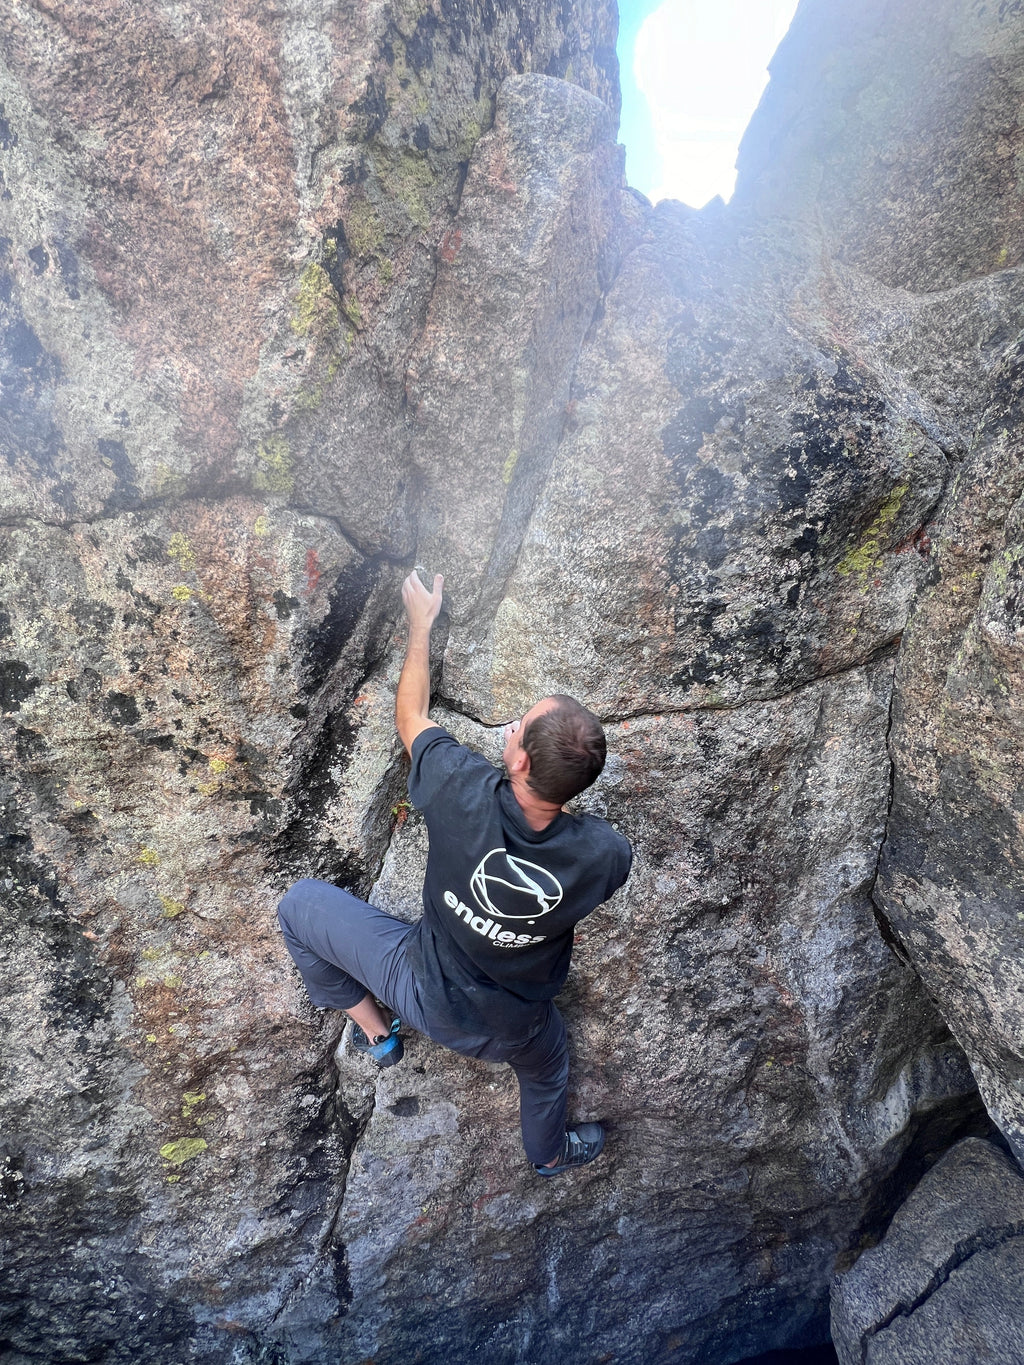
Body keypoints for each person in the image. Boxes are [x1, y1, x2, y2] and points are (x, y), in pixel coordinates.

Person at [277, 570, 632, 1175]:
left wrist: (421, 625)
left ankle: (379, 1036)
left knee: (297, 909)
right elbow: (560, 825)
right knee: (548, 1071)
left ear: (518, 759)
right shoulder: (605, 855)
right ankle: (548, 1156)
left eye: (518, 725)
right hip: (516, 1027)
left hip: (420, 991)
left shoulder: (461, 790)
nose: (512, 727)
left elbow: (411, 715)